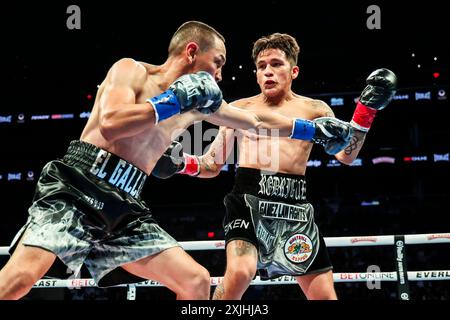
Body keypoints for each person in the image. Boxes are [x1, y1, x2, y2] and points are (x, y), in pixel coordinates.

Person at [0, 22, 353, 300]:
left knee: (197, 281)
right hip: (79, 185)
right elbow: (111, 124)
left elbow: (257, 121)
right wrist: (172, 101)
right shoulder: (132, 70)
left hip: (126, 205)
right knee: (18, 281)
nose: (219, 76)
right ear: (191, 52)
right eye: (217, 63)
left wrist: (314, 130)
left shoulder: (199, 103)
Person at [152, 33, 397, 300]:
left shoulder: (316, 110)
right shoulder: (238, 109)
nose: (268, 71)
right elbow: (212, 163)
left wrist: (365, 112)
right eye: (261, 66)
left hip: (295, 210)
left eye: (276, 64)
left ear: (293, 71)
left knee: (325, 297)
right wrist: (181, 163)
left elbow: (346, 156)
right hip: (248, 201)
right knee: (240, 273)